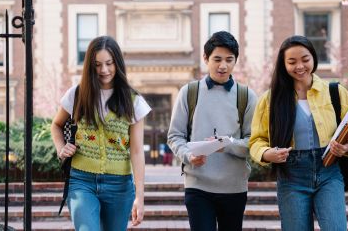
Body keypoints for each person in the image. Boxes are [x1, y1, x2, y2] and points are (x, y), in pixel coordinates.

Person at [248, 35, 348, 230]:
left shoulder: (335, 92)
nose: (300, 66)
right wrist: (267, 153)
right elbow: (256, 140)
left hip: (329, 171)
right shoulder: (271, 99)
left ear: (313, 58)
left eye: (305, 59)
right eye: (292, 61)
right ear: (283, 64)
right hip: (291, 176)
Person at [51, 35, 151, 231]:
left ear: (117, 63)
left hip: (119, 185)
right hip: (82, 181)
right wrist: (61, 148)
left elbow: (137, 151)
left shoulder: (134, 101)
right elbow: (56, 125)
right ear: (90, 65)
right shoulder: (77, 94)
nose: (104, 70)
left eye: (109, 63)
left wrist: (140, 196)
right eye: (97, 64)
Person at [167, 31, 257, 231]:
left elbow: (254, 141)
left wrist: (227, 144)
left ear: (235, 61)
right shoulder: (189, 92)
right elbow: (175, 136)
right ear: (206, 59)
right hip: (198, 185)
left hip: (234, 187)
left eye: (229, 60)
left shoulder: (247, 96)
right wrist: (189, 155)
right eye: (217, 59)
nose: (223, 65)